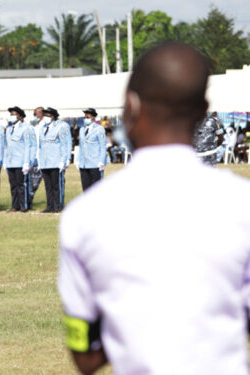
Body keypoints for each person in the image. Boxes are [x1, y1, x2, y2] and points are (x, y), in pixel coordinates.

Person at [57, 42, 250, 375]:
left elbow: (84, 355)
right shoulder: (241, 203)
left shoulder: (85, 215)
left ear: (130, 105)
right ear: (203, 110)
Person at [38, 107, 72, 213]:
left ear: (53, 116)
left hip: (56, 161)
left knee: (57, 185)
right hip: (45, 162)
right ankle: (50, 206)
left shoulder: (62, 126)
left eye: (47, 116)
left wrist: (65, 159)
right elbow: (41, 146)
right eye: (44, 116)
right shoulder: (42, 128)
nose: (45, 118)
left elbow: (66, 143)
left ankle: (58, 205)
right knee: (48, 186)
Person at [3, 106, 34, 212]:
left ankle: (24, 205)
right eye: (11, 114)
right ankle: (15, 205)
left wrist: (27, 162)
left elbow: (28, 146)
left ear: (20, 116)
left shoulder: (26, 128)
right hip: (11, 162)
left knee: (21, 185)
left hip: (21, 161)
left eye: (14, 114)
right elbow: (6, 146)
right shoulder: (9, 129)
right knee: (13, 185)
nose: (12, 116)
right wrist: (5, 162)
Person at [76, 108, 107, 191]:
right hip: (84, 163)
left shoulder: (99, 129)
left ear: (93, 118)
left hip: (95, 163)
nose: (86, 119)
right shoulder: (82, 129)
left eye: (88, 117)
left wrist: (101, 161)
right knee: (85, 189)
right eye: (85, 117)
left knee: (95, 190)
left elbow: (102, 146)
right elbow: (81, 146)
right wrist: (78, 160)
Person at [27, 107, 45, 208]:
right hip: (33, 158)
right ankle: (28, 201)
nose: (35, 116)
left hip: (43, 158)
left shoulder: (45, 125)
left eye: (36, 114)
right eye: (34, 114)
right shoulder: (33, 125)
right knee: (32, 183)